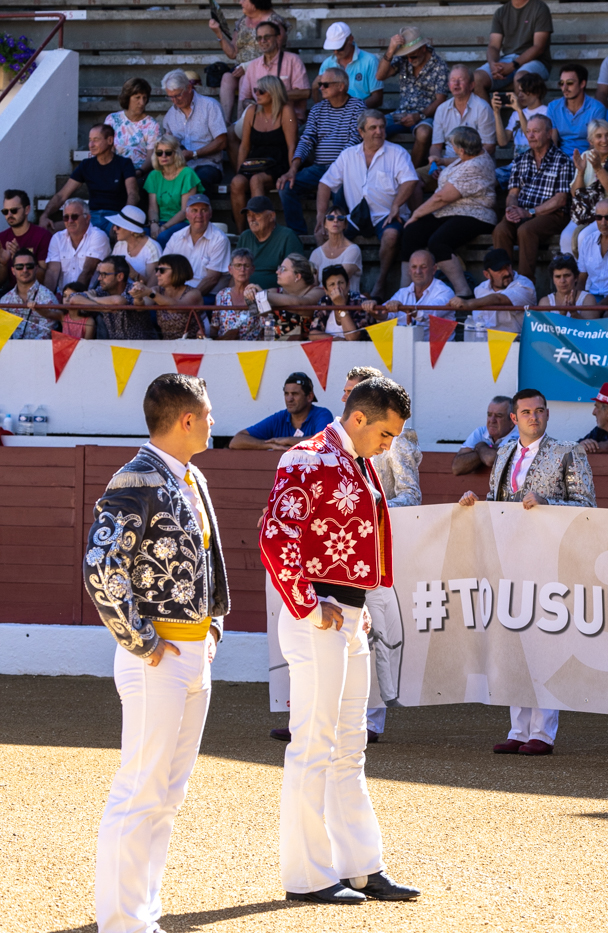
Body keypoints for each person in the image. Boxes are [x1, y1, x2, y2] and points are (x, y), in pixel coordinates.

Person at [259, 376, 420, 904]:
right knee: (313, 744)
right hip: (317, 618)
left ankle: (360, 866)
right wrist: (310, 601)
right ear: (359, 419)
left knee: (348, 747)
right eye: (387, 433)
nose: (389, 444)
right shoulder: (306, 459)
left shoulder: (354, 460)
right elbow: (276, 536)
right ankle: (306, 876)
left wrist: (356, 609)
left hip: (346, 616)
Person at [85, 374, 229, 933]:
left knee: (166, 794)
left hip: (192, 655)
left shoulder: (188, 477)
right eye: (209, 413)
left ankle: (141, 913)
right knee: (141, 788)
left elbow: (206, 561)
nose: (215, 421)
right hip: (156, 661)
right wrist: (141, 639)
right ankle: (121, 921)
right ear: (187, 419)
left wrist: (213, 626)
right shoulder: (137, 479)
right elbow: (102, 566)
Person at [459, 388, 595, 755]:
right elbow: (498, 504)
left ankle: (543, 732)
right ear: (515, 418)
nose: (534, 417)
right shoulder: (504, 451)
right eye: (526, 412)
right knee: (513, 642)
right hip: (509, 556)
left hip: (549, 557)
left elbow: (588, 507)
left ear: (547, 415)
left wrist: (549, 503)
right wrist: (476, 505)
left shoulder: (568, 451)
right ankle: (519, 728)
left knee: (544, 642)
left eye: (539, 411)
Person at [338, 367, 419, 739]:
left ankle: (371, 719)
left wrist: (368, 509)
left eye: (353, 392)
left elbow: (411, 495)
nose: (346, 400)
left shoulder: (393, 442)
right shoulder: (334, 445)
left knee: (376, 634)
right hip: (346, 553)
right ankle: (340, 716)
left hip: (378, 551)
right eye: (346, 392)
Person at [316, 110, 416, 300]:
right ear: (361, 132)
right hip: (355, 217)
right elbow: (325, 183)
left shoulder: (397, 153)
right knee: (322, 231)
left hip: (386, 215)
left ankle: (380, 282)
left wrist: (396, 205)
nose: (378, 132)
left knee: (392, 235)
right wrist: (321, 215)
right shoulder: (348, 155)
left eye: (381, 127)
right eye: (373, 128)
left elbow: (410, 181)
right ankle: (327, 286)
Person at [401, 127, 495, 297]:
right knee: (411, 232)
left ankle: (463, 291)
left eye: (453, 146)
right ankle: (405, 291)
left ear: (462, 150)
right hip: (450, 212)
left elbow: (441, 198)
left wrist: (416, 214)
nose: (452, 148)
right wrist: (442, 161)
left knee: (438, 242)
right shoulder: (474, 154)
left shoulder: (475, 166)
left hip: (476, 214)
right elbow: (461, 160)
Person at [279, 67, 364, 235]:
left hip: (344, 169)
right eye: (320, 84)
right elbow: (306, 139)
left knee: (340, 193)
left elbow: (356, 139)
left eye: (325, 85)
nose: (320, 88)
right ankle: (298, 235)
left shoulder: (358, 106)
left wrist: (336, 168)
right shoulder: (317, 110)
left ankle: (338, 236)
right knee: (286, 187)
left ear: (341, 86)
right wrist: (293, 169)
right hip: (319, 168)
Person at [494, 114, 572, 289]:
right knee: (500, 229)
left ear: (549, 134)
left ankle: (524, 285)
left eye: (535, 131)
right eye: (528, 131)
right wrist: (511, 208)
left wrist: (530, 212)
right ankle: (502, 282)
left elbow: (560, 200)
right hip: (523, 211)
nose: (530, 136)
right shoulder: (520, 160)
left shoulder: (562, 160)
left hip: (553, 214)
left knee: (526, 230)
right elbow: (513, 192)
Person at [41, 125, 138, 236]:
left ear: (110, 140)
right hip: (89, 217)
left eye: (96, 140)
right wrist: (44, 216)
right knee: (46, 230)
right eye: (90, 140)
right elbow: (62, 195)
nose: (91, 145)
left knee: (122, 234)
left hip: (115, 217)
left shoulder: (124, 164)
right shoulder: (86, 165)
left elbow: (133, 194)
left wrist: (123, 220)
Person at [375, 26, 450, 166]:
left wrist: (419, 116)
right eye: (406, 56)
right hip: (401, 114)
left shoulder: (440, 66)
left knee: (423, 132)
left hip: (426, 116)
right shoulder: (405, 60)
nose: (409, 60)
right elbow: (380, 76)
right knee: (372, 126)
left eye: (413, 56)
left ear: (423, 48)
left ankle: (413, 176)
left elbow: (441, 100)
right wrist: (391, 50)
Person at [231, 75, 296, 232]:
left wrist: (291, 171)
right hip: (255, 161)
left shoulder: (286, 111)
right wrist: (240, 170)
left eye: (261, 91)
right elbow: (244, 146)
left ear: (274, 92)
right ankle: (241, 233)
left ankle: (261, 231)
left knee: (256, 180)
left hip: (278, 162)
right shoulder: (251, 112)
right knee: (237, 182)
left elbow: (292, 146)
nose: (256, 94)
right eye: (255, 90)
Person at [422, 64, 497, 192]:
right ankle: (414, 213)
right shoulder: (441, 109)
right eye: (452, 80)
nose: (456, 83)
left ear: (472, 85)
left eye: (461, 80)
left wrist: (448, 162)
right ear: (448, 85)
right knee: (413, 179)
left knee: (450, 185)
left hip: (475, 165)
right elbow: (436, 146)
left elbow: (489, 147)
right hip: (446, 165)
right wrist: (435, 165)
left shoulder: (483, 108)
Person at [561, 120, 608, 256]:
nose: (604, 140)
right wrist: (580, 172)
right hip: (588, 212)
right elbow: (576, 195)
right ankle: (573, 275)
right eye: (599, 136)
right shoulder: (585, 156)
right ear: (590, 141)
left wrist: (598, 169)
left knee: (584, 237)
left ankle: (588, 276)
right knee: (565, 237)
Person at [208, 0, 285, 122]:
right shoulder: (242, 22)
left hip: (265, 69)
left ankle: (241, 123)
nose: (240, 2)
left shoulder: (274, 22)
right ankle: (225, 124)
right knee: (226, 78)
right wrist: (219, 33)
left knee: (245, 79)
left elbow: (275, 53)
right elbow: (232, 53)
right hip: (239, 68)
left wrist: (247, 67)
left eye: (244, 0)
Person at [160, 70, 228, 194]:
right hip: (180, 167)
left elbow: (222, 142)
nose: (175, 101)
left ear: (189, 88)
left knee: (196, 180)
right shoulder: (170, 115)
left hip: (208, 165)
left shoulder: (210, 106)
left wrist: (193, 154)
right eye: (170, 97)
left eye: (178, 95)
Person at [234, 19, 309, 128]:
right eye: (259, 38)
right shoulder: (253, 65)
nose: (263, 41)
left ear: (278, 37)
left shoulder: (293, 60)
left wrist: (274, 95)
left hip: (289, 118)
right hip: (260, 117)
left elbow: (305, 93)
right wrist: (254, 104)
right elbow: (245, 99)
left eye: (267, 37)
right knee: (231, 134)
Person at [231, 373, 335, 449]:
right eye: (286, 394)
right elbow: (236, 441)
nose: (289, 399)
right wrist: (270, 445)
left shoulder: (322, 414)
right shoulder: (279, 418)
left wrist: (286, 441)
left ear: (309, 397)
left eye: (295, 394)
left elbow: (323, 441)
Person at [367, 248, 454, 339]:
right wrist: (373, 309)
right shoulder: (402, 292)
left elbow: (429, 314)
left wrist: (405, 308)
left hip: (441, 352)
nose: (418, 272)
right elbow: (385, 315)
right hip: (406, 348)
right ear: (409, 270)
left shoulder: (445, 291)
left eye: (423, 267)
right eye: (414, 267)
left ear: (434, 269)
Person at [67, 256, 159, 340]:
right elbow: (73, 298)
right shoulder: (102, 291)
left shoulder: (134, 290)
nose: (99, 278)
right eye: (99, 274)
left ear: (119, 276)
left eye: (104, 274)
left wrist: (94, 299)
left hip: (144, 349)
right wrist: (102, 306)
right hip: (116, 350)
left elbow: (119, 301)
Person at [476, 0, 553, 99]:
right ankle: (491, 115)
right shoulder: (501, 12)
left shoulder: (540, 8)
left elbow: (538, 47)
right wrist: (493, 65)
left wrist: (513, 65)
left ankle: (521, 114)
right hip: (508, 60)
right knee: (476, 79)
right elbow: (493, 46)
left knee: (521, 79)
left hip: (536, 61)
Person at [451, 247, 537, 333]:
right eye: (500, 270)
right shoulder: (480, 289)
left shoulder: (525, 284)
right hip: (485, 342)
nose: (507, 273)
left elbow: (498, 298)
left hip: (518, 343)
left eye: (508, 267)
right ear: (487, 274)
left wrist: (469, 303)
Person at [163, 194, 231, 296]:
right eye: (194, 210)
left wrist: (187, 300)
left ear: (210, 214)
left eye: (204, 210)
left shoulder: (219, 239)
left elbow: (212, 279)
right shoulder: (176, 237)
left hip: (205, 295)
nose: (199, 215)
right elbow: (164, 269)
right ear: (187, 215)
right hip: (177, 293)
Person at [144, 134, 205, 247]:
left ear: (175, 153)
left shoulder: (187, 174)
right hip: (160, 221)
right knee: (142, 236)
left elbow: (184, 211)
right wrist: (154, 224)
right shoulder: (153, 175)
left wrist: (164, 227)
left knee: (163, 236)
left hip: (183, 222)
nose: (163, 156)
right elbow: (152, 208)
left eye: (168, 152)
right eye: (159, 153)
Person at [43, 199, 110, 294]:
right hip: (64, 297)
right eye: (66, 217)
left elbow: (88, 272)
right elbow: (52, 272)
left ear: (87, 218)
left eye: (74, 217)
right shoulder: (57, 238)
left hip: (91, 298)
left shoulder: (98, 236)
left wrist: (73, 297)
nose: (70, 221)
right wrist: (47, 299)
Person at [236, 195, 303, 289]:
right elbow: (235, 271)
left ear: (271, 216)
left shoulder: (287, 237)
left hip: (276, 297)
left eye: (257, 215)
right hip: (245, 294)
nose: (251, 219)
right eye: (249, 215)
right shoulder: (245, 237)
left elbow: (297, 277)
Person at [135, 254, 209, 339]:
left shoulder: (194, 293)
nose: (157, 274)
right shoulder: (158, 290)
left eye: (162, 270)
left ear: (177, 271)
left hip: (193, 346)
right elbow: (140, 307)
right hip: (167, 346)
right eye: (157, 270)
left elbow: (176, 308)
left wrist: (150, 293)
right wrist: (138, 295)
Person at [318, 22, 385, 109]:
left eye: (339, 48)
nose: (335, 52)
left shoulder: (370, 61)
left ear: (351, 39)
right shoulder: (327, 63)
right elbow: (321, 97)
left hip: (361, 115)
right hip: (333, 114)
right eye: (332, 48)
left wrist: (354, 110)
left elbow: (377, 98)